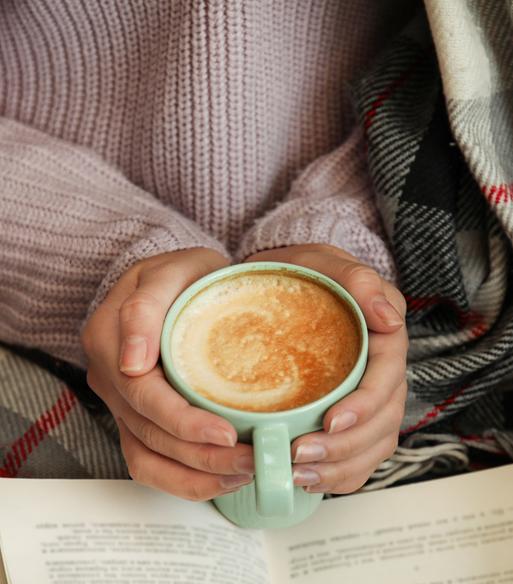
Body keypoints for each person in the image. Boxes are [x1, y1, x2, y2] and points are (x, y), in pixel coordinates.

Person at [0, 1, 414, 497]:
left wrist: (342, 229)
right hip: (36, 344)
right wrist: (109, 254)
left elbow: (459, 67)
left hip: (429, 301)